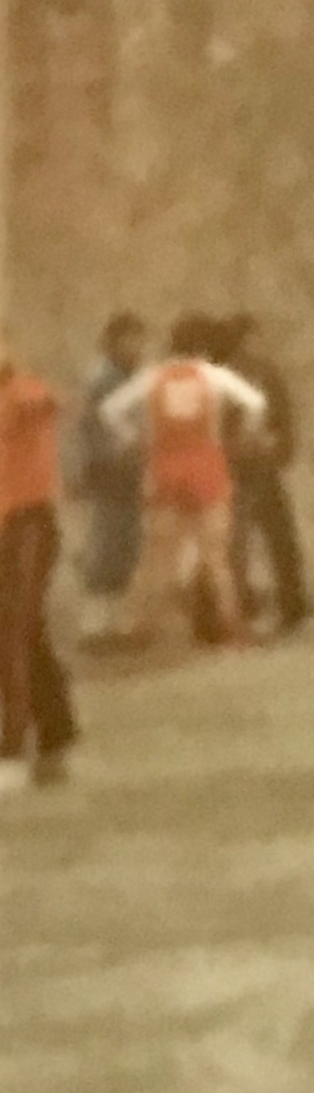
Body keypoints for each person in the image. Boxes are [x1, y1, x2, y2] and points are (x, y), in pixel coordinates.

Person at [101, 317, 268, 651]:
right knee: (216, 555)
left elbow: (110, 409)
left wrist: (134, 440)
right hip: (206, 463)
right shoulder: (212, 375)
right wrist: (245, 435)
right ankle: (232, 626)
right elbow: (256, 403)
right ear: (204, 347)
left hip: (164, 466)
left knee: (157, 555)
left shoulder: (153, 376)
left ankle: (135, 627)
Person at [0, 335, 80, 788]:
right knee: (22, 631)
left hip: (29, 524)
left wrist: (39, 402)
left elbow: (48, 401)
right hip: (9, 525)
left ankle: (13, 750)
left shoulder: (21, 391)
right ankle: (55, 735)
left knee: (15, 629)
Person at [219, 316, 307, 633]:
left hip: (265, 464)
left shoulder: (268, 373)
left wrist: (280, 446)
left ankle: (293, 607)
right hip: (237, 467)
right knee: (237, 541)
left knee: (281, 537)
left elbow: (283, 415)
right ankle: (242, 610)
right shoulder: (223, 376)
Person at [67, 311, 149, 633]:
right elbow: (89, 427)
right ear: (113, 342)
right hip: (106, 469)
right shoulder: (100, 380)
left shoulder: (133, 377)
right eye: (129, 339)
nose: (136, 345)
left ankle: (116, 619)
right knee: (106, 539)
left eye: (139, 338)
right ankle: (94, 619)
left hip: (129, 469)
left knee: (127, 541)